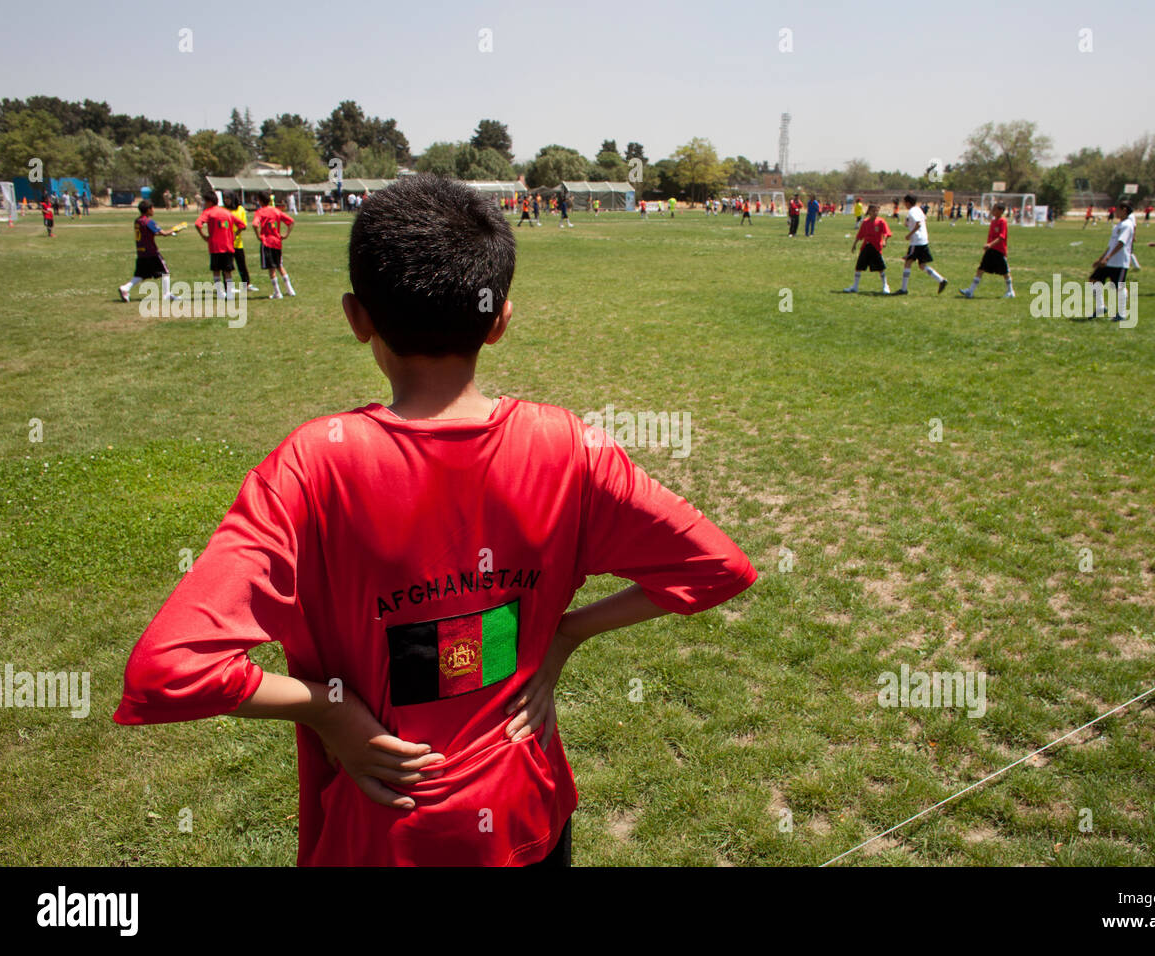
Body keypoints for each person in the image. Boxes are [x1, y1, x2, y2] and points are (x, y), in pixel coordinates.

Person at [112, 174, 756, 868]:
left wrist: (329, 708)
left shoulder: (312, 465)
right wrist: (565, 633)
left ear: (357, 318)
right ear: (500, 319)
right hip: (526, 815)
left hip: (384, 833)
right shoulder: (569, 446)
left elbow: (169, 670)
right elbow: (720, 567)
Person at [118, 200, 180, 303]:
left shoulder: (137, 221)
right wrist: (175, 229)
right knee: (165, 273)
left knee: (141, 275)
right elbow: (163, 233)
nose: (153, 210)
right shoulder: (148, 221)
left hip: (141, 252)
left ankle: (125, 288)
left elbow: (151, 233)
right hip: (151, 252)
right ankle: (167, 295)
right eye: (152, 208)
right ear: (148, 210)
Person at [1088, 201, 1136, 321]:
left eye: (1117, 209)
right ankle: (1100, 307)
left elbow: (1121, 243)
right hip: (1108, 261)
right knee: (1093, 280)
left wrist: (1108, 258)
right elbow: (1111, 245)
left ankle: (1122, 313)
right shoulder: (1118, 226)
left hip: (1119, 262)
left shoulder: (1128, 225)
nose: (1115, 212)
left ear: (1124, 210)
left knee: (1119, 287)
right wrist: (1101, 259)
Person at [893, 194, 947, 295]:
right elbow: (923, 219)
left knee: (908, 262)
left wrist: (909, 234)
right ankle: (941, 280)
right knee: (922, 265)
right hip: (923, 240)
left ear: (908, 202)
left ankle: (903, 289)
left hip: (916, 241)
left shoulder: (912, 211)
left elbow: (918, 223)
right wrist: (908, 223)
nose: (904, 204)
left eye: (904, 202)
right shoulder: (918, 209)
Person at [959, 202, 1015, 298]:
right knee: (980, 269)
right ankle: (970, 291)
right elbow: (991, 236)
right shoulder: (993, 221)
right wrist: (988, 247)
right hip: (990, 250)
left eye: (995, 209)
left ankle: (1010, 291)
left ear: (1001, 211)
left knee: (1005, 272)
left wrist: (990, 244)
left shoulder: (1003, 221)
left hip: (999, 250)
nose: (993, 211)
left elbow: (1002, 237)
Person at [195, 190, 243, 299]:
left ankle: (220, 293)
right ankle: (230, 294)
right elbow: (242, 225)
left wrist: (203, 236)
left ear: (210, 202)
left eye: (205, 201)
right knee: (228, 270)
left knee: (216, 270)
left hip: (215, 247)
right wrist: (235, 235)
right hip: (228, 246)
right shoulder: (227, 212)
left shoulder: (208, 212)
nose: (204, 204)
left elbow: (198, 224)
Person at [252, 194, 297, 298]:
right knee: (279, 266)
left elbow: (255, 224)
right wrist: (286, 235)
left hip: (267, 242)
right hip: (277, 242)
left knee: (271, 268)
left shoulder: (260, 212)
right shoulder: (276, 211)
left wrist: (258, 235)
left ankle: (277, 292)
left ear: (260, 201)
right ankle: (290, 290)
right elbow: (291, 221)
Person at [843, 202, 892, 294]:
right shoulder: (865, 222)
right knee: (859, 267)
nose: (875, 213)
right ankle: (855, 286)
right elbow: (860, 235)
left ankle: (885, 285)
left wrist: (884, 240)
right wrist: (854, 244)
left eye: (877, 211)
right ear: (869, 211)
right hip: (866, 246)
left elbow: (886, 233)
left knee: (880, 267)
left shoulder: (881, 222)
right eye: (873, 211)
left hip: (876, 247)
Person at [224, 192, 259, 293]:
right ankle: (228, 286)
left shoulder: (240, 210)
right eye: (225, 198)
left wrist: (235, 235)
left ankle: (246, 284)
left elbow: (243, 225)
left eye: (228, 198)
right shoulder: (223, 210)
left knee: (242, 265)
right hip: (226, 243)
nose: (226, 200)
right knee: (227, 267)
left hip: (237, 243)